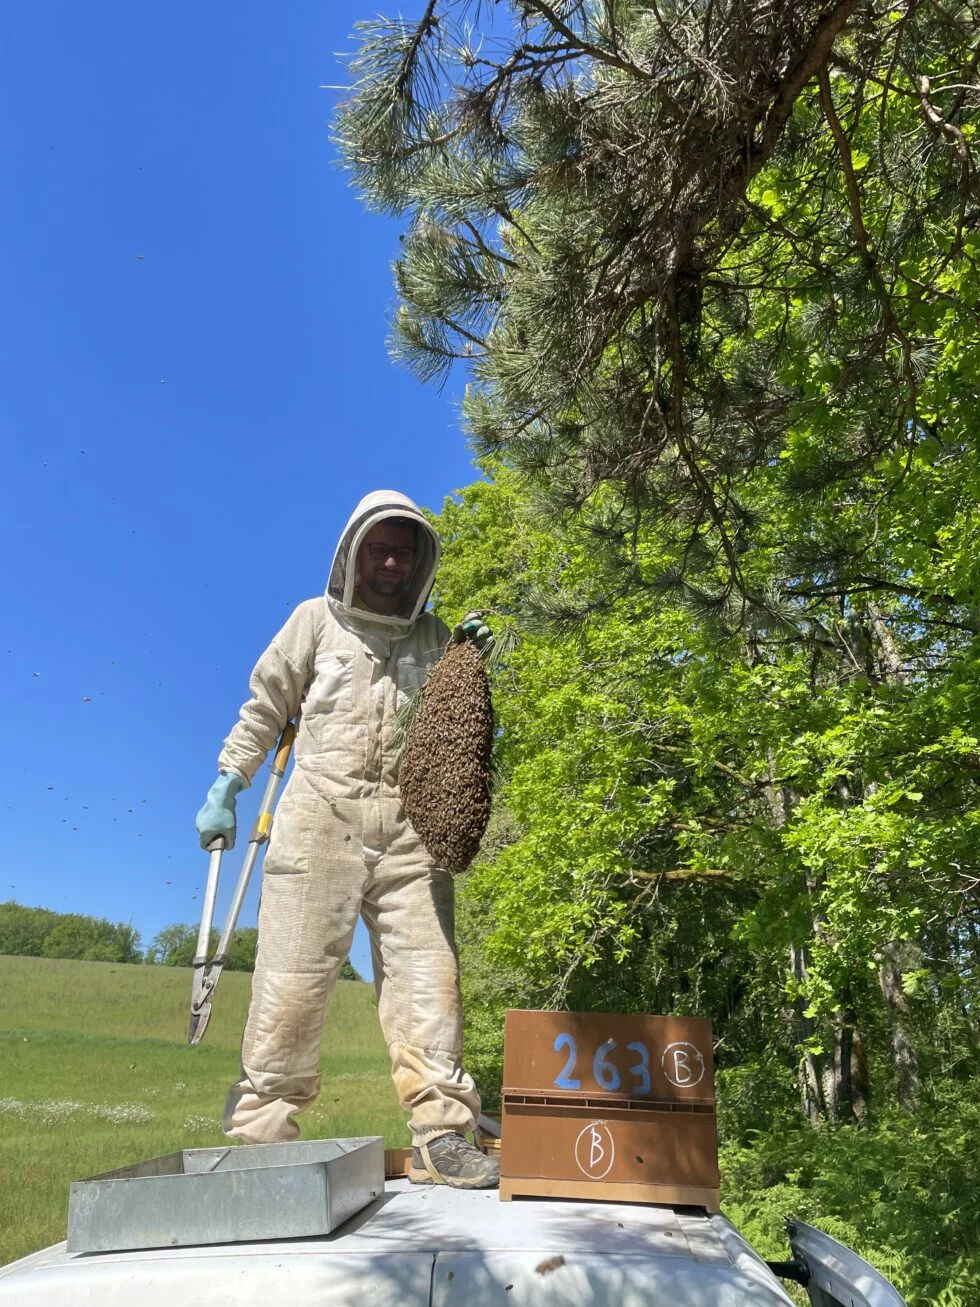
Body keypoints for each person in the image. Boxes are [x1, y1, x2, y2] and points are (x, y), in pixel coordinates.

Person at [195, 490, 497, 1189]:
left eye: (405, 549)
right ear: (353, 553)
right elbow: (265, 704)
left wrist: (472, 663)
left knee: (431, 979)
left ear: (421, 561)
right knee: (291, 981)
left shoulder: (433, 638)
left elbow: (462, 734)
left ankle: (442, 1132)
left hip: (409, 828)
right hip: (319, 815)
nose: (392, 561)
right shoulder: (313, 622)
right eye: (379, 547)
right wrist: (227, 783)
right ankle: (263, 1134)